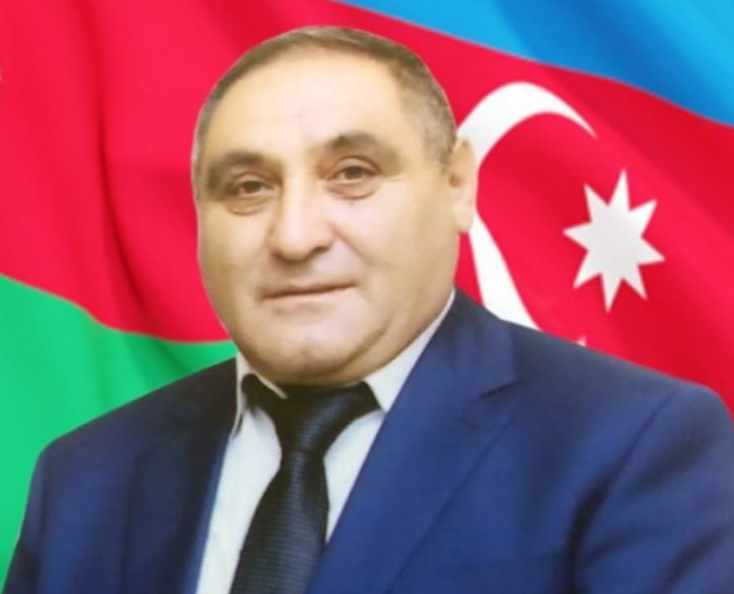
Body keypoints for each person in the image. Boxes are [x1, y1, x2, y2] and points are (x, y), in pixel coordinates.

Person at [5, 26, 734, 594]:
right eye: (249, 187)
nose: (295, 236)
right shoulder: (85, 478)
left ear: (457, 185)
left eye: (352, 174)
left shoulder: (633, 445)